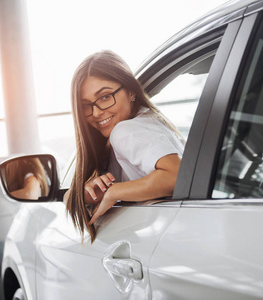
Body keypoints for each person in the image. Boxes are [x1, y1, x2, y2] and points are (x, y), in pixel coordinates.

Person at [65, 50, 185, 242]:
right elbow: (68, 198)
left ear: (130, 91)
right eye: (86, 105)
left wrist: (115, 191)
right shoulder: (150, 122)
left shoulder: (124, 131)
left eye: (105, 97)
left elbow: (177, 176)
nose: (96, 112)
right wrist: (88, 192)